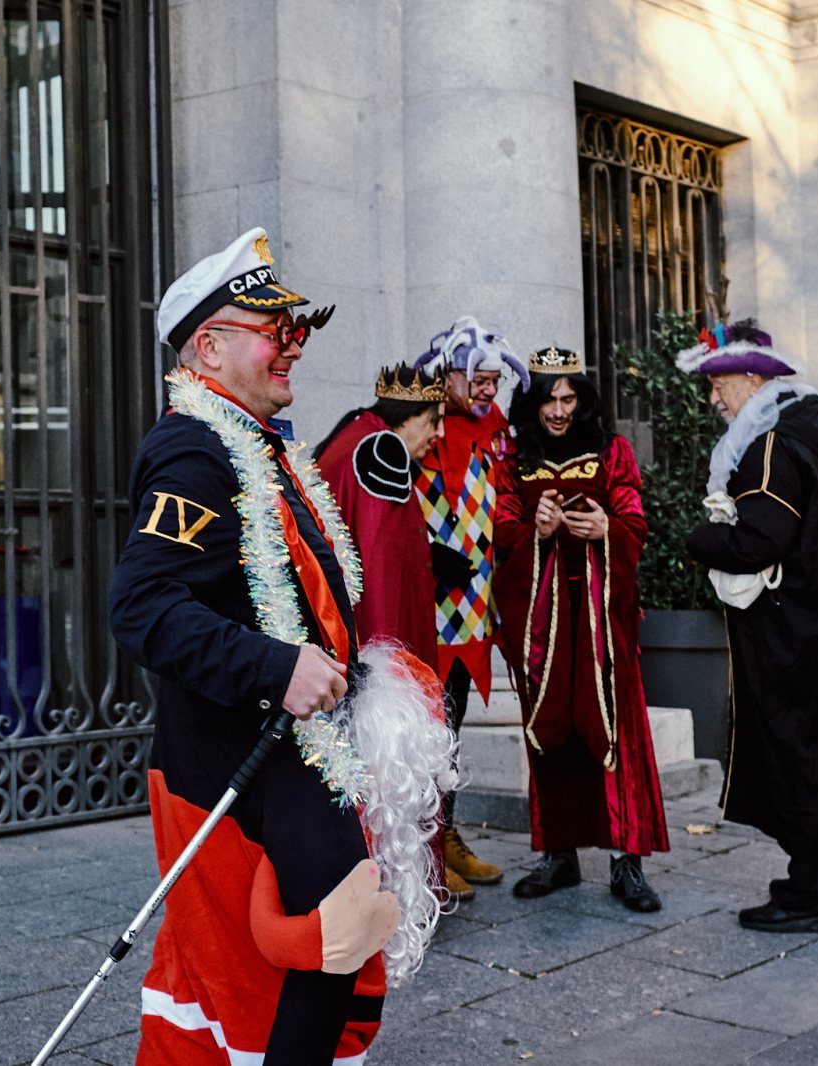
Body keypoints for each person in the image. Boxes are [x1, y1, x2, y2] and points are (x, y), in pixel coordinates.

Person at [109, 228, 454, 1063]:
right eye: (274, 331)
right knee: (316, 949)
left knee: (336, 943)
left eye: (295, 331)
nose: (292, 347)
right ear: (210, 345)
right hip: (244, 764)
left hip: (300, 756)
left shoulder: (261, 444)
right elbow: (142, 605)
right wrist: (277, 666)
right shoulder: (193, 450)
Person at [680, 321, 818, 934]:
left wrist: (699, 536)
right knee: (817, 748)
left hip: (790, 633)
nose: (714, 399)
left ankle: (812, 895)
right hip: (814, 624)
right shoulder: (799, 436)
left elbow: (758, 541)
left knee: (796, 753)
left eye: (719, 385)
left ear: (753, 378)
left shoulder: (774, 446)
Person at [492, 347, 668, 912]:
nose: (560, 410)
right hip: (542, 618)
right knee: (550, 729)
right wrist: (535, 532)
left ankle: (627, 862)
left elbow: (635, 521)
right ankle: (558, 854)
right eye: (549, 399)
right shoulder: (512, 458)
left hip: (601, 612)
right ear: (533, 403)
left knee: (616, 732)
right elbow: (500, 530)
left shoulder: (612, 452)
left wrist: (604, 529)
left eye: (569, 399)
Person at [409, 317, 527, 894]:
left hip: (473, 607)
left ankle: (445, 836)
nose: (487, 390)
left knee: (451, 723)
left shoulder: (498, 428)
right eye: (478, 379)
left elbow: (503, 498)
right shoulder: (416, 422)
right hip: (423, 606)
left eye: (494, 381)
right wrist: (423, 552)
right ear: (449, 375)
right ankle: (420, 850)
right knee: (418, 726)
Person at [312, 363, 447, 665]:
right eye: (433, 420)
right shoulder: (383, 448)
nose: (439, 432)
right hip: (376, 642)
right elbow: (381, 566)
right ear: (405, 418)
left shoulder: (358, 431)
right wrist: (389, 662)